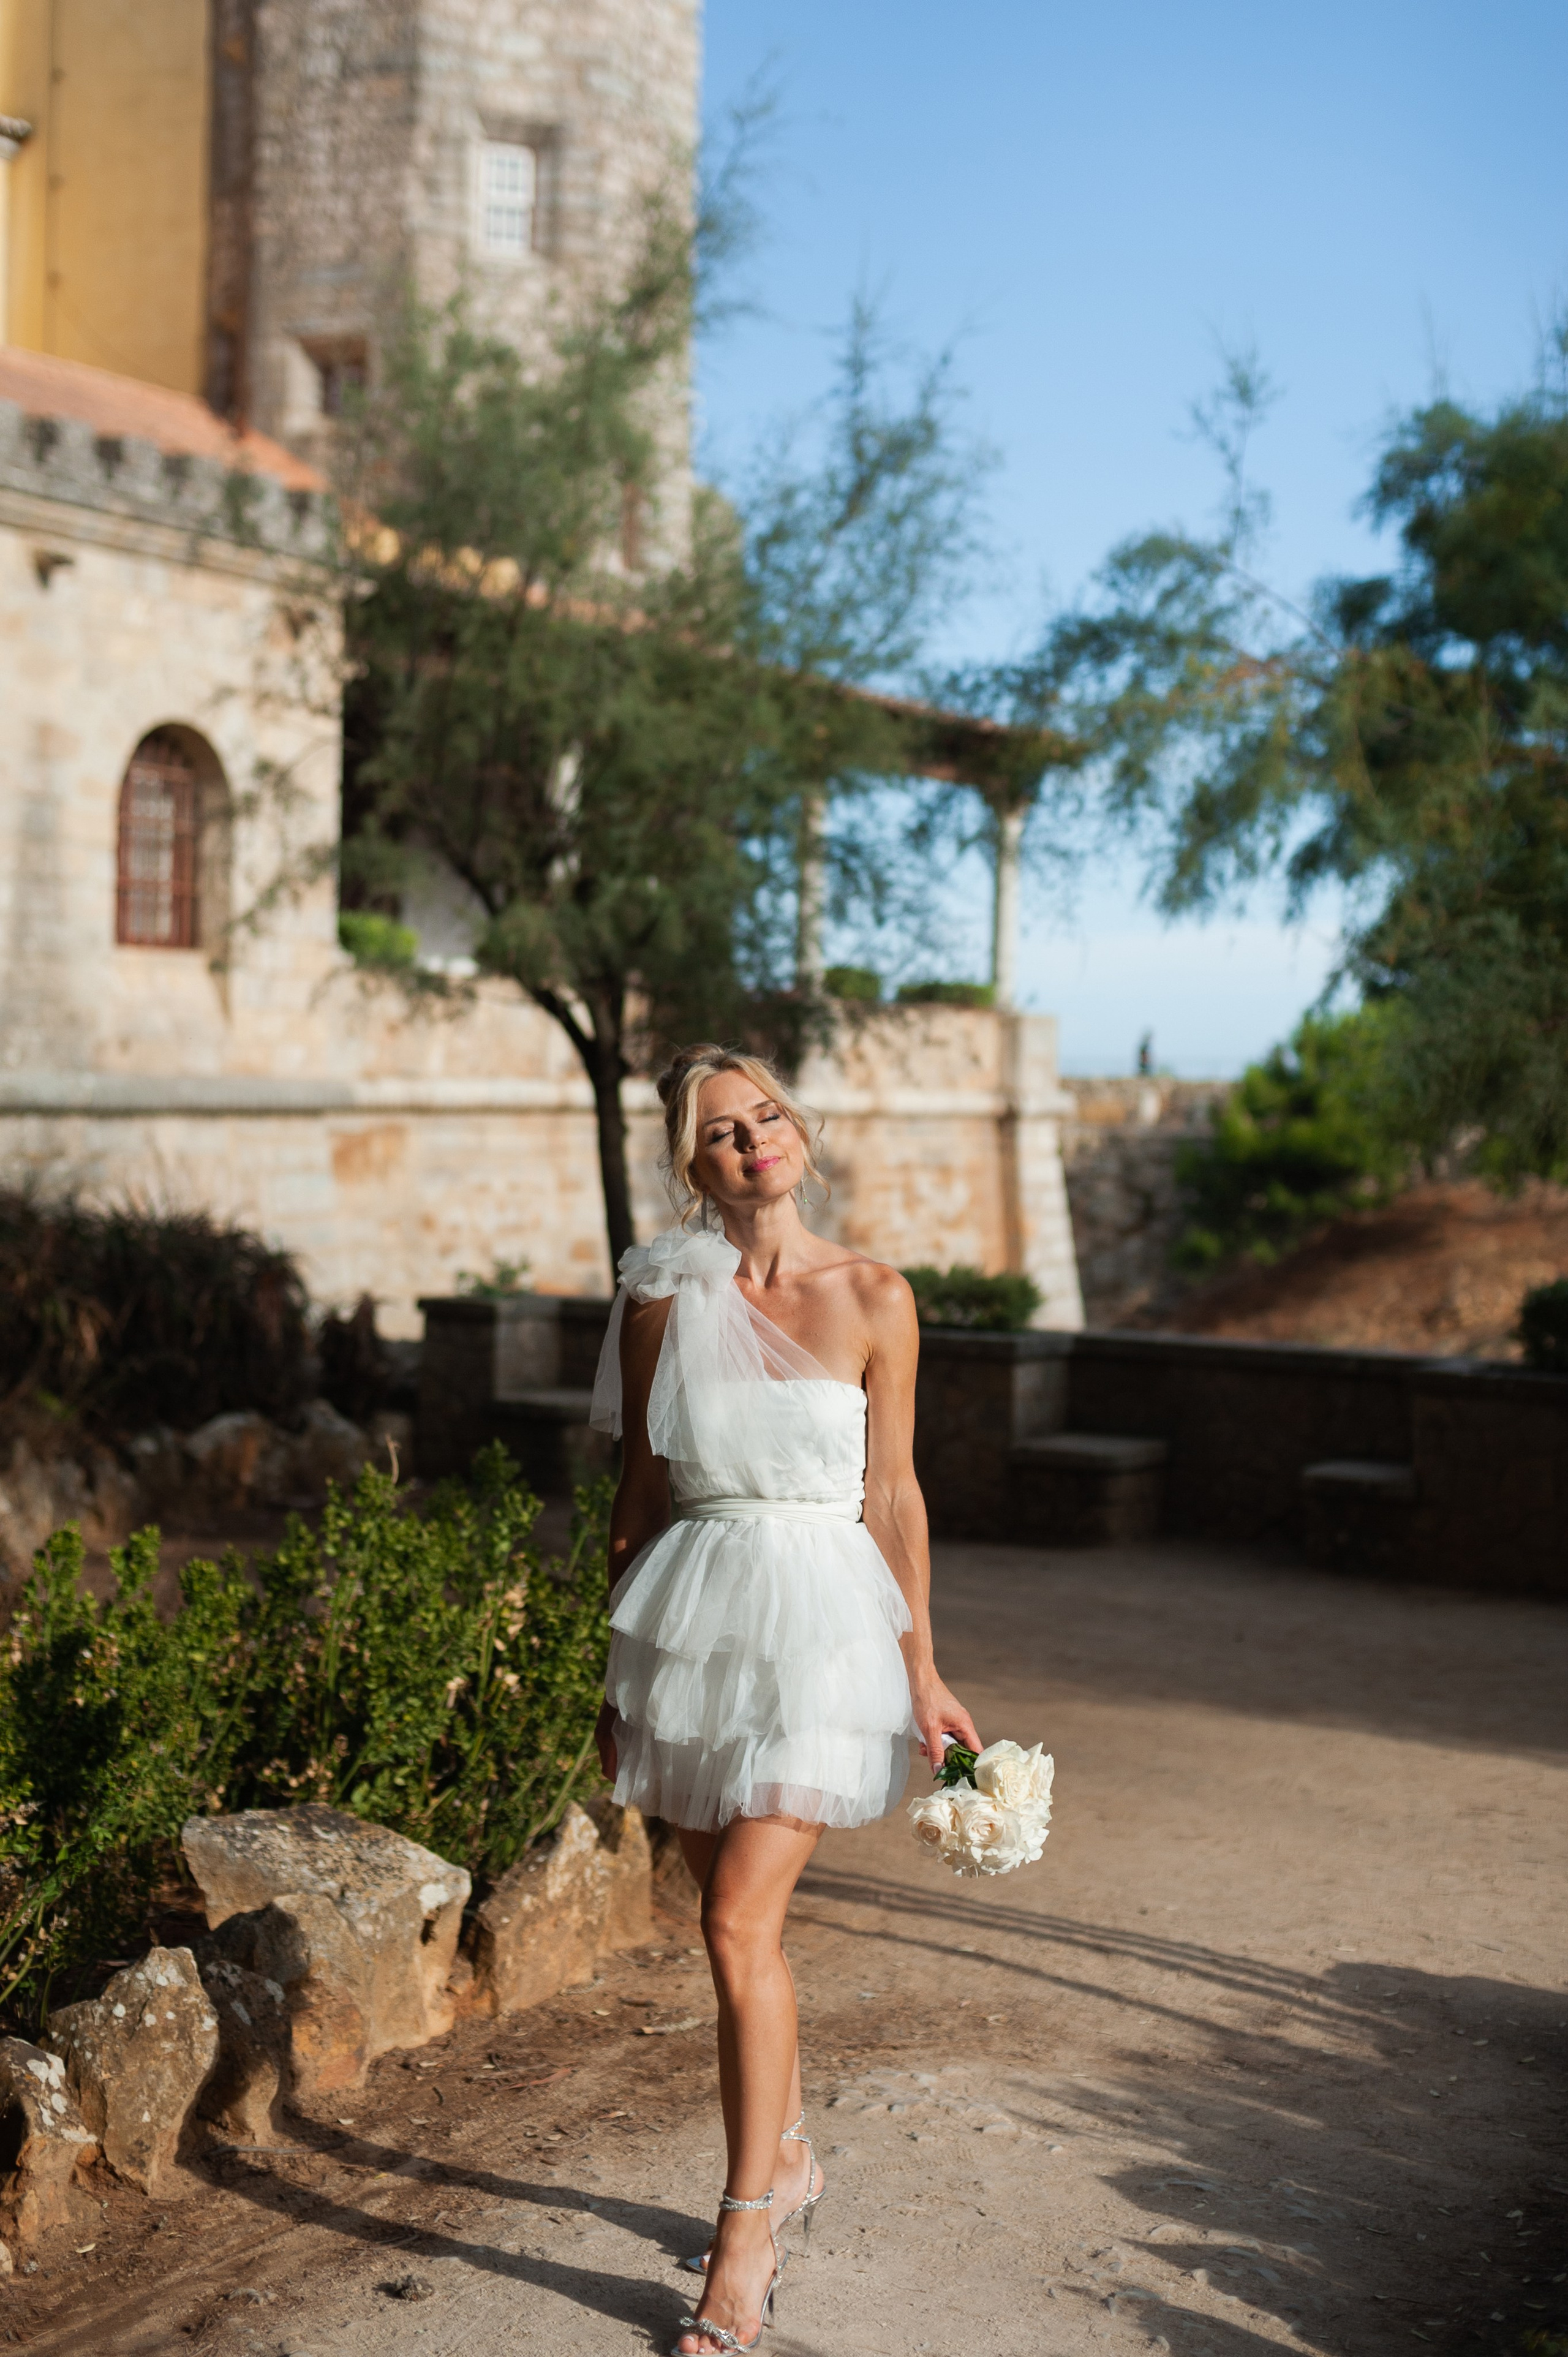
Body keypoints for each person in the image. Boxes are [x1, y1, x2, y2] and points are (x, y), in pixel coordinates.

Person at [589, 1042, 981, 2357]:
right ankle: (793, 2149)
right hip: (690, 1629)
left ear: (796, 1136)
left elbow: (893, 1496)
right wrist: (616, 1679)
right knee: (740, 1934)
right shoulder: (660, 1308)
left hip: (821, 1630)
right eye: (719, 1130)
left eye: (765, 1116)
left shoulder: (874, 1294)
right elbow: (637, 1505)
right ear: (690, 1168)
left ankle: (744, 2232)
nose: (751, 1141)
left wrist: (920, 1666)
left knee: (729, 1921)